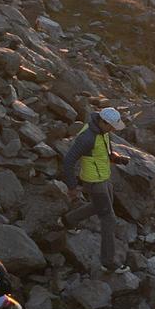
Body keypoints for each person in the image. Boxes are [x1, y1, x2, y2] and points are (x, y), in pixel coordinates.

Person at [61, 105, 125, 271]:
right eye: (111, 126)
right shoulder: (87, 137)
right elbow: (68, 161)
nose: (113, 130)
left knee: (98, 207)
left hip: (104, 178)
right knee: (109, 219)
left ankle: (68, 220)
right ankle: (108, 263)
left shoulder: (103, 132)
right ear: (103, 122)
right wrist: (72, 187)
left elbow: (102, 153)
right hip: (95, 183)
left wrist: (117, 159)